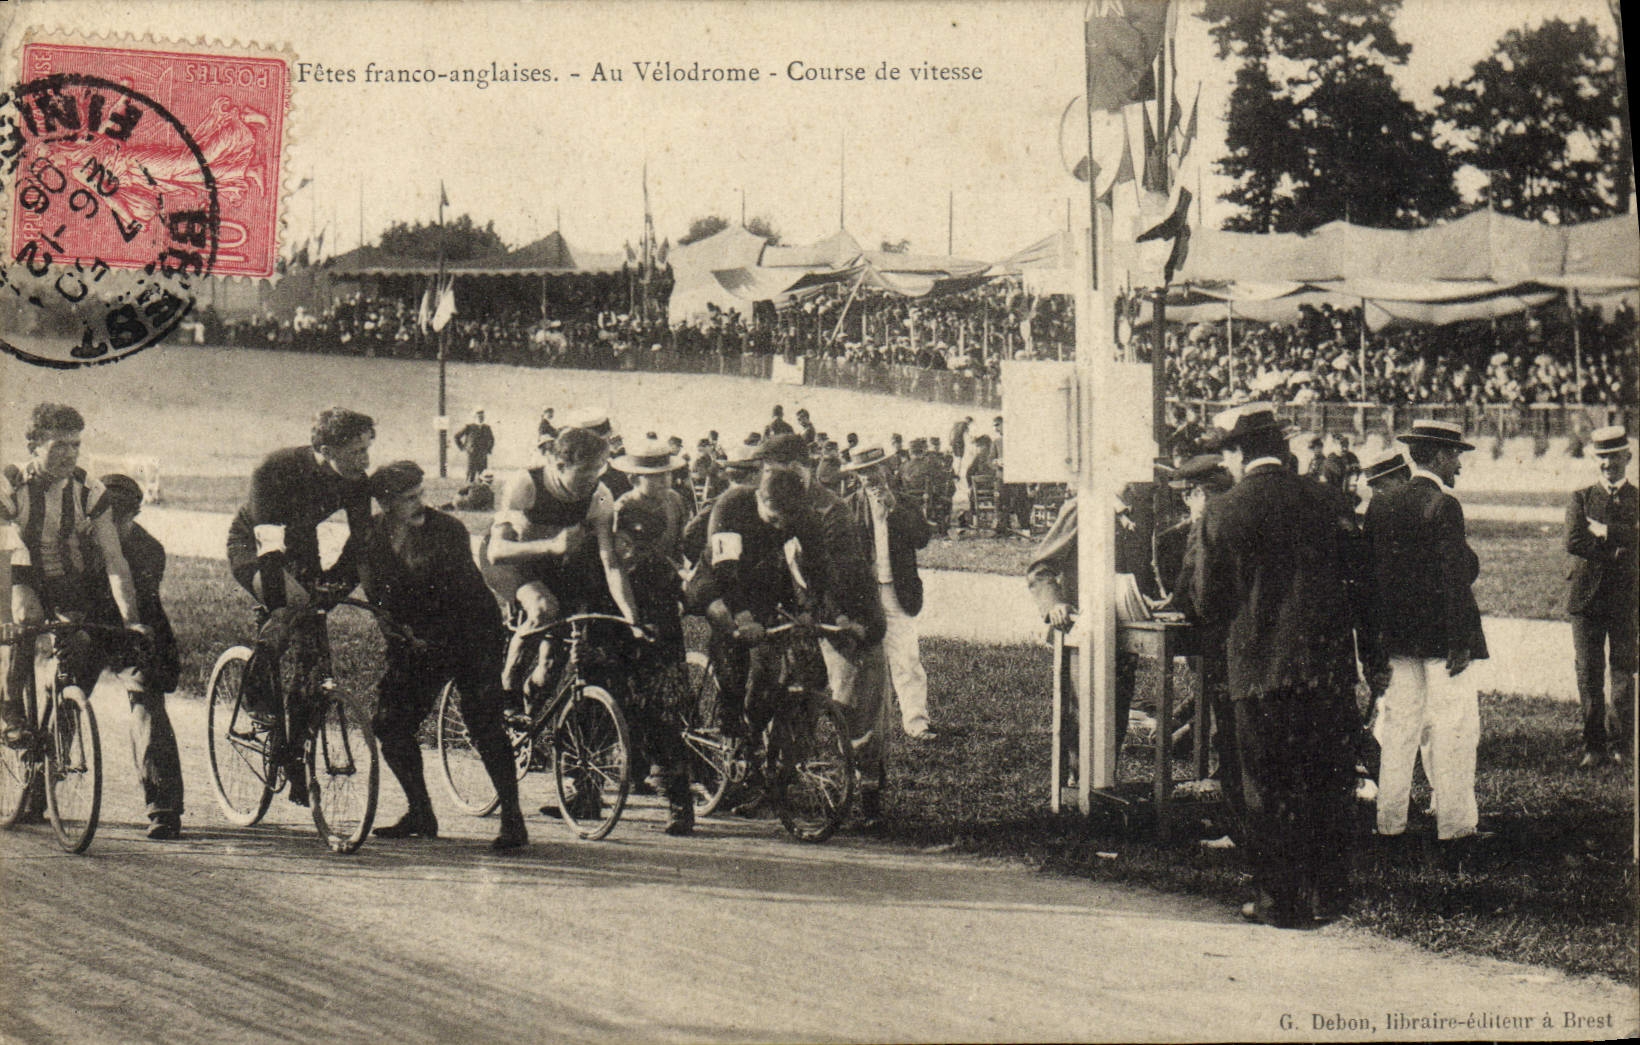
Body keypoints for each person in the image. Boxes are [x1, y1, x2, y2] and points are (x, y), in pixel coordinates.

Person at [1191, 404, 1361, 927]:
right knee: (1325, 781)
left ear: (1240, 453)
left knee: (1266, 785)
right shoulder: (1329, 499)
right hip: (1326, 667)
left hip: (1258, 668)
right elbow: (1360, 585)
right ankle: (1326, 895)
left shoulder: (1221, 511)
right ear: (1279, 447)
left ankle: (1277, 900)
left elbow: (1205, 601)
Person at [0, 407, 168, 835]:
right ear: (35, 445)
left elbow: (115, 560)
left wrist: (131, 619)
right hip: (17, 569)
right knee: (26, 619)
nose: (70, 454)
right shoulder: (12, 481)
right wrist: (5, 615)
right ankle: (9, 710)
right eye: (59, 446)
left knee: (75, 645)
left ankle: (59, 713)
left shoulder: (88, 488)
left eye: (76, 445)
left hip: (64, 579)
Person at [360, 461, 526, 850]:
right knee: (390, 725)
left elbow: (453, 592)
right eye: (409, 499)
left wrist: (416, 632)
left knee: (484, 722)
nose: (421, 504)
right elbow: (368, 587)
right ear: (386, 504)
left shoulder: (447, 530)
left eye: (421, 494)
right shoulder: (372, 536)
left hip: (471, 633)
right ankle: (420, 811)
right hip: (419, 641)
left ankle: (513, 820)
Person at [225, 406, 375, 805]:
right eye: (357, 451)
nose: (366, 460)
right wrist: (284, 605)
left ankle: (294, 749)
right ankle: (258, 692)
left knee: (314, 656)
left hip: (300, 546)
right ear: (325, 448)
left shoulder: (358, 481)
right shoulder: (277, 468)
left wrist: (336, 587)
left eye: (367, 449)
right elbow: (269, 550)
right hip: (254, 546)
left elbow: (361, 544)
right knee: (290, 609)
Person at [754, 435, 888, 822]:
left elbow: (841, 576)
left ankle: (869, 798)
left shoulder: (831, 510)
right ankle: (786, 789)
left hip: (847, 619)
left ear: (799, 468)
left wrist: (839, 619)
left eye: (773, 469)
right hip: (803, 618)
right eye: (764, 470)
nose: (766, 477)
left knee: (855, 711)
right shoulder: (769, 501)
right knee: (795, 701)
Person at [1367, 419, 1488, 845]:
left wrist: (1373, 645)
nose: (1458, 464)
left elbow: (1370, 582)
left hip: (1398, 639)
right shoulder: (1443, 504)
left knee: (1400, 729)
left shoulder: (1381, 504)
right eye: (1455, 454)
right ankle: (1456, 827)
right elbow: (1456, 579)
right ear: (1437, 455)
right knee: (1453, 728)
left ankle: (1390, 822)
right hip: (1442, 641)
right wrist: (1459, 642)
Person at [483, 426, 641, 713]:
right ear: (559, 465)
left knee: (553, 658)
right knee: (544, 607)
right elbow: (497, 552)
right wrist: (553, 545)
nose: (591, 480)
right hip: (512, 561)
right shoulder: (526, 483)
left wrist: (632, 618)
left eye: (598, 471)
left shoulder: (601, 495)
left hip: (552, 566)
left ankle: (526, 727)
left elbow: (611, 563)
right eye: (584, 472)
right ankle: (506, 689)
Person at [609, 440, 696, 835]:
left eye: (665, 474)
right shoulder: (624, 508)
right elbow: (624, 560)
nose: (660, 482)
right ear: (634, 477)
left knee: (667, 700)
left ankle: (678, 800)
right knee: (628, 694)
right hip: (634, 606)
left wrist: (681, 580)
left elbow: (679, 549)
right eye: (651, 477)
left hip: (664, 606)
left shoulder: (676, 502)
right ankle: (615, 779)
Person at [841, 444, 937, 741]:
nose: (869, 477)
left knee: (906, 656)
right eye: (862, 473)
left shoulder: (904, 503)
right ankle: (854, 724)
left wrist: (894, 508)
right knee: (857, 661)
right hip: (863, 595)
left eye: (874, 470)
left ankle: (916, 721)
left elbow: (921, 538)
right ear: (856, 476)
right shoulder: (848, 506)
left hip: (897, 592)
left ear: (886, 469)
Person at [1565, 425, 1636, 768]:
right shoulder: (1580, 497)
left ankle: (1622, 745)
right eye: (1602, 458)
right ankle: (1594, 746)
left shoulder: (1637, 498)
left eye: (1614, 457)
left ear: (1628, 457)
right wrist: (1620, 549)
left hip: (1625, 599)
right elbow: (1574, 541)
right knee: (1589, 673)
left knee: (1624, 671)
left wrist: (1607, 531)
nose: (1608, 464)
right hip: (1587, 601)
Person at [453, 408, 496, 484]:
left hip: (482, 455)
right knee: (470, 474)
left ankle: (481, 492)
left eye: (482, 416)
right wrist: (463, 447)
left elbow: (491, 439)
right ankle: (468, 491)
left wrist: (488, 449)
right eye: (479, 416)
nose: (481, 418)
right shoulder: (469, 427)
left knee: (483, 475)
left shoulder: (487, 428)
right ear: (475, 417)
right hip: (472, 455)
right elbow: (456, 436)